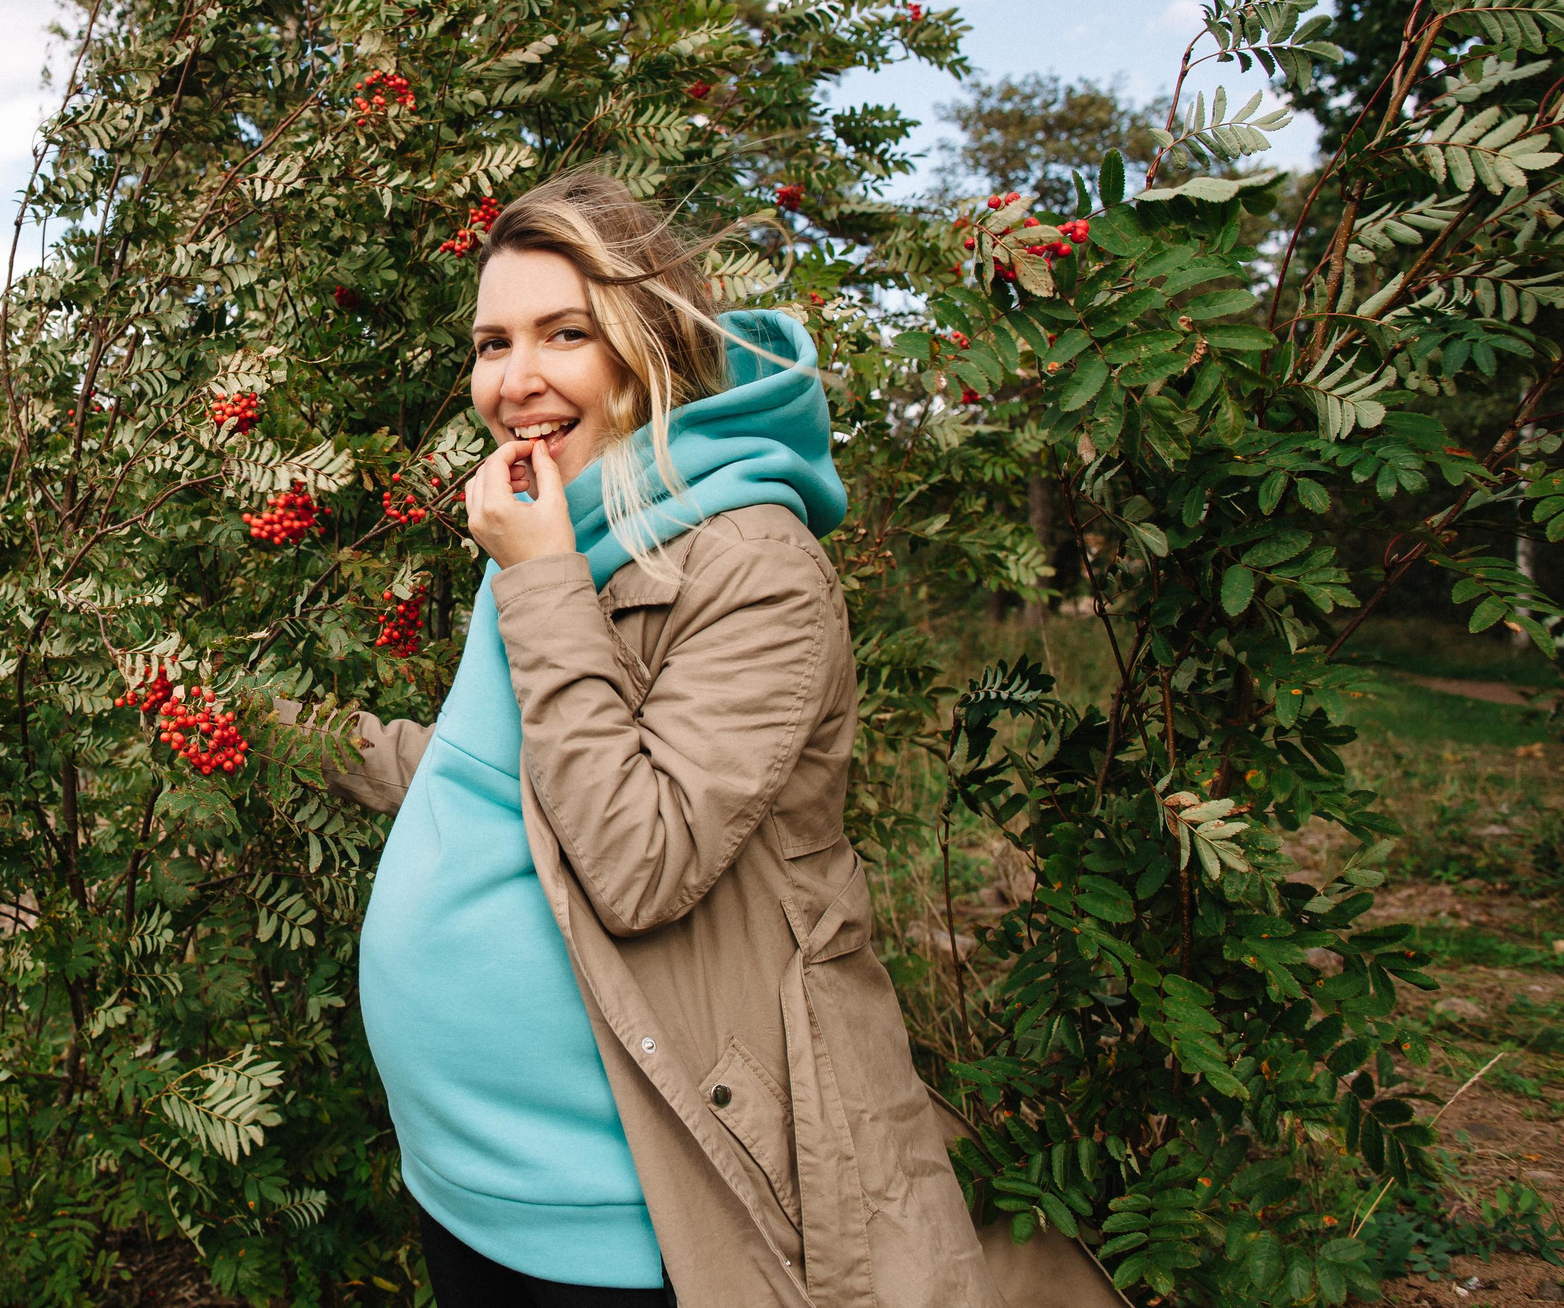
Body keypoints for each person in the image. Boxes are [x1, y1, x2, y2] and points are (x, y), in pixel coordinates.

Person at [287, 175, 1120, 1308]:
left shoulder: (748, 560)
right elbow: (497, 780)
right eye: (491, 343)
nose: (513, 379)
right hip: (466, 1182)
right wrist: (281, 731)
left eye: (562, 334)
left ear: (651, 347)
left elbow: (642, 863)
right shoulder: (559, 525)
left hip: (628, 1214)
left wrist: (536, 581)